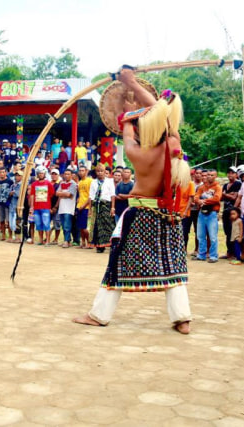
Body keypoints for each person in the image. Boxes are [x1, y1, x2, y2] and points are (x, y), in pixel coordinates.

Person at [73, 67, 192, 334]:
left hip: (139, 217)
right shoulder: (173, 143)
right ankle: (182, 319)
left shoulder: (135, 152)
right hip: (167, 216)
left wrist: (126, 111)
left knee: (117, 263)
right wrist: (133, 86)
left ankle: (98, 315)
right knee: (172, 262)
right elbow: (163, 117)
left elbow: (129, 125)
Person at [193, 169, 222, 262]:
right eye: (208, 175)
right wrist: (199, 200)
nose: (209, 176)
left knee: (213, 236)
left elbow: (217, 198)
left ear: (215, 176)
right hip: (202, 212)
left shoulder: (217, 187)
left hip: (212, 213)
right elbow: (196, 197)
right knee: (200, 235)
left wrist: (204, 201)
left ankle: (213, 256)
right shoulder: (202, 187)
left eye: (212, 175)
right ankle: (201, 254)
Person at [89, 164, 116, 253]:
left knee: (108, 225)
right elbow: (91, 196)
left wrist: (112, 207)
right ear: (96, 172)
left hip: (106, 205)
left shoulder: (110, 181)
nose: (100, 173)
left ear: (105, 172)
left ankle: (112, 244)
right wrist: (90, 209)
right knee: (97, 226)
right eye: (98, 171)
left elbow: (112, 195)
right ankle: (99, 246)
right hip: (96, 206)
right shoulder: (93, 182)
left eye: (102, 171)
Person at [29, 166, 55, 245]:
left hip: (45, 207)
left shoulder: (48, 183)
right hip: (36, 207)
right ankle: (40, 240)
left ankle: (47, 240)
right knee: (39, 224)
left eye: (42, 173)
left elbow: (51, 194)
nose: (41, 175)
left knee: (46, 224)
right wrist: (32, 206)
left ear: (45, 174)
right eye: (39, 173)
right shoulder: (34, 184)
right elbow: (32, 195)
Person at [220, 166, 242, 259]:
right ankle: (229, 252)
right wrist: (228, 195)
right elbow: (221, 198)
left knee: (234, 232)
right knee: (227, 232)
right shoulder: (225, 185)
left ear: (236, 175)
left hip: (234, 212)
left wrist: (225, 194)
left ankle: (234, 253)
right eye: (229, 173)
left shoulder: (238, 184)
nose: (230, 175)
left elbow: (235, 198)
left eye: (232, 173)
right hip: (226, 212)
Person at [56, 169, 78, 248]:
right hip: (62, 207)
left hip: (69, 208)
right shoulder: (61, 183)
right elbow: (57, 193)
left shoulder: (73, 184)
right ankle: (67, 240)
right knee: (63, 225)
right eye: (65, 174)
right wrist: (63, 193)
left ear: (71, 175)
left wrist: (61, 193)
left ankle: (66, 240)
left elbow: (69, 195)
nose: (66, 175)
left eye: (68, 174)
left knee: (67, 225)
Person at [0, 167, 13, 241]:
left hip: (8, 203)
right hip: (0, 202)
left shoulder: (10, 181)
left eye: (3, 172)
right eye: (0, 172)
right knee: (1, 220)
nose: (1, 173)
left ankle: (10, 236)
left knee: (8, 221)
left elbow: (12, 190)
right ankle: (3, 235)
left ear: (6, 173)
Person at [76, 165, 93, 248]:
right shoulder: (80, 182)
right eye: (80, 170)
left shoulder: (90, 181)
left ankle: (89, 242)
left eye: (83, 170)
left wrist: (86, 206)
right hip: (79, 206)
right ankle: (82, 242)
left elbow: (91, 196)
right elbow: (80, 194)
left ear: (86, 171)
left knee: (84, 227)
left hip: (85, 207)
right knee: (81, 227)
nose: (81, 172)